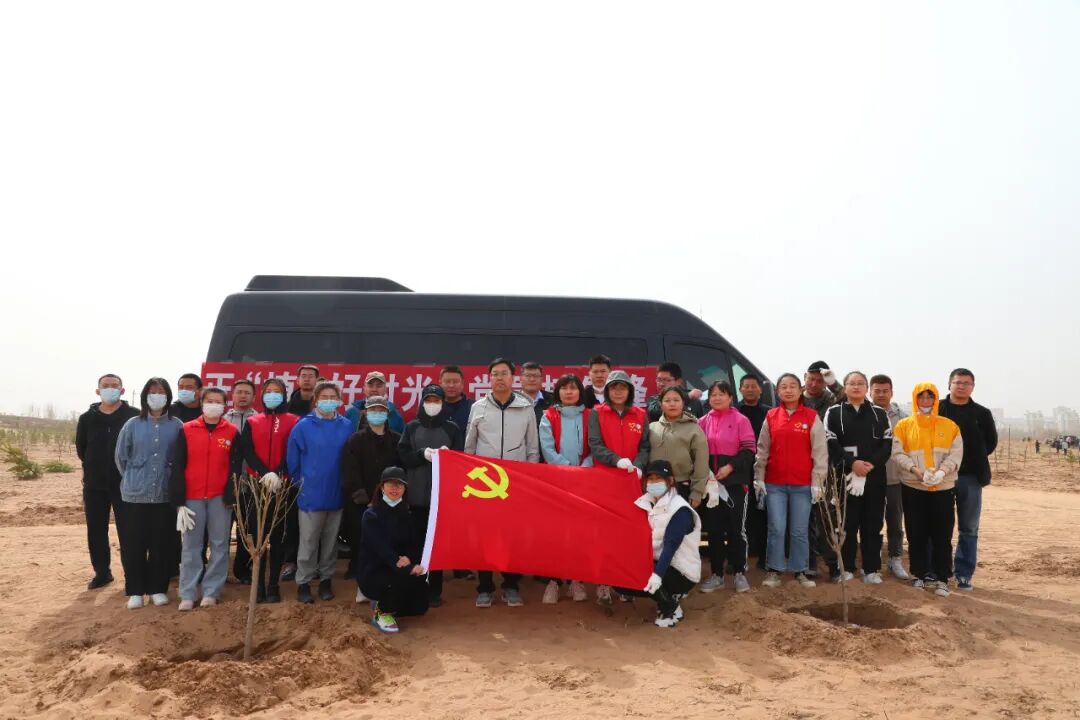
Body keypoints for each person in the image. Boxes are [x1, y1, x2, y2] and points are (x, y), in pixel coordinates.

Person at [464, 358, 541, 608]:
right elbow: (469, 447)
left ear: (512, 378)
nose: (499, 378)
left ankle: (510, 585)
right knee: (484, 536)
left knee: (512, 536)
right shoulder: (478, 407)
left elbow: (532, 447)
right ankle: (485, 587)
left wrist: (528, 479)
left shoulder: (525, 407)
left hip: (515, 484)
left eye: (504, 373)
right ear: (489, 379)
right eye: (495, 374)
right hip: (485, 484)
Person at [113, 377, 184, 609]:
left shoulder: (177, 425)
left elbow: (181, 459)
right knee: (133, 544)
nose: (157, 396)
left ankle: (157, 588)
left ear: (168, 396)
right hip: (135, 495)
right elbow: (121, 458)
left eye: (161, 392)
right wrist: (135, 478)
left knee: (161, 544)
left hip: (164, 494)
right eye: (152, 392)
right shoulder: (132, 424)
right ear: (145, 396)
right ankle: (135, 590)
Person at [754, 373, 827, 588]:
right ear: (777, 392)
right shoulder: (771, 416)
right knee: (776, 528)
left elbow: (820, 452)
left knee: (799, 530)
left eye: (792, 386)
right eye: (783, 387)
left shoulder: (811, 416)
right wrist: (759, 478)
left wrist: (818, 482)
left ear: (800, 389)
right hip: (774, 484)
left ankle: (800, 571)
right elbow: (762, 449)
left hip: (802, 484)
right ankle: (774, 570)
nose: (788, 390)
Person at [891, 383, 963, 598]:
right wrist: (915, 471)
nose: (925, 401)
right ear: (915, 399)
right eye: (921, 397)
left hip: (943, 487)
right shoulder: (904, 425)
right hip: (914, 486)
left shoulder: (949, 426)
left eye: (929, 397)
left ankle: (942, 578)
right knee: (916, 533)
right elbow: (898, 453)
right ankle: (918, 574)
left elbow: (956, 454)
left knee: (942, 534)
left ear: (935, 399)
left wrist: (942, 472)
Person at [169, 387, 239, 610]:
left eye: (218, 401)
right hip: (192, 497)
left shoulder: (232, 431)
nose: (213, 405)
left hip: (220, 498)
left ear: (225, 405)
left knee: (219, 544)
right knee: (191, 546)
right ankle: (188, 592)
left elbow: (235, 467)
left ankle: (211, 591)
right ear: (202, 403)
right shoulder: (187, 429)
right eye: (209, 400)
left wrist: (231, 493)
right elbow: (177, 465)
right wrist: (179, 501)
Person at [287, 381, 354, 604]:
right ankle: (304, 583)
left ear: (339, 400)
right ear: (315, 400)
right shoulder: (303, 426)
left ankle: (326, 580)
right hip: (310, 494)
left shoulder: (346, 425)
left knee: (330, 542)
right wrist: (301, 486)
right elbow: (293, 461)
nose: (328, 401)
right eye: (324, 397)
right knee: (308, 542)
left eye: (332, 397)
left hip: (336, 493)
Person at [613, 460, 701, 628]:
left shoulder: (680, 509)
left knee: (642, 571)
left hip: (682, 571)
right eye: (650, 479)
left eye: (658, 479)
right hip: (656, 563)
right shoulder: (644, 503)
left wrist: (656, 576)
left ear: (670, 481)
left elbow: (670, 546)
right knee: (620, 578)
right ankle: (668, 597)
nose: (654, 483)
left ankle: (669, 606)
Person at [587, 369, 650, 603]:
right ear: (607, 391)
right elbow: (595, 444)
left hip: (633, 482)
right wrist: (616, 461)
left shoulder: (640, 414)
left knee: (629, 533)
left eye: (623, 387)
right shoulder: (597, 413)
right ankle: (603, 583)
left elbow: (645, 446)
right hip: (605, 480)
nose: (618, 392)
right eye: (614, 388)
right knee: (605, 533)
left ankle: (626, 585)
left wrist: (639, 465)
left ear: (630, 391)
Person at [397, 386, 464, 607]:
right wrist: (421, 455)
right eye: (429, 400)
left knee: (437, 544)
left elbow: (461, 459)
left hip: (441, 498)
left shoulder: (452, 428)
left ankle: (435, 590)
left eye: (436, 400)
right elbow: (403, 455)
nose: (432, 404)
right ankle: (417, 586)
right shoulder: (412, 427)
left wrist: (449, 457)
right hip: (416, 496)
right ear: (422, 402)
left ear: (443, 403)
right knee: (416, 543)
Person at [824, 371, 893, 585]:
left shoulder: (880, 414)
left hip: (874, 478)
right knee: (846, 524)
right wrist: (852, 464)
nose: (856, 387)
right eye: (851, 383)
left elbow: (887, 445)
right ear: (844, 387)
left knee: (872, 524)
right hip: (844, 478)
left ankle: (871, 569)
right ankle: (846, 568)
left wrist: (869, 465)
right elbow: (831, 442)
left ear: (866, 388)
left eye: (860, 383)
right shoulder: (833, 413)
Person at [237, 377, 299, 603]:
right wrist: (265, 473)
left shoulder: (294, 420)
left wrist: (279, 472)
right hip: (258, 484)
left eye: (277, 391)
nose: (272, 395)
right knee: (259, 536)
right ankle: (258, 585)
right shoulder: (253, 421)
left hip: (283, 485)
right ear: (262, 395)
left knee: (278, 537)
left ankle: (273, 585)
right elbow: (247, 450)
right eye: (268, 391)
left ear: (284, 395)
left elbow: (294, 451)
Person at [76, 373, 139, 590]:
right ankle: (102, 573)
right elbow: (82, 449)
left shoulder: (134, 416)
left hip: (125, 484)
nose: (110, 389)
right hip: (95, 485)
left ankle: (132, 574)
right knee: (96, 530)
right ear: (98, 391)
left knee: (129, 530)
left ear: (122, 390)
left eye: (114, 385)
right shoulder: (87, 418)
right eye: (105, 385)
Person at [936, 368, 997, 592]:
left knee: (969, 528)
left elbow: (991, 442)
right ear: (949, 385)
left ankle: (963, 573)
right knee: (938, 525)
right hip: (941, 476)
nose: (961, 386)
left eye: (966, 383)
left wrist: (971, 457)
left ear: (973, 387)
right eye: (957, 382)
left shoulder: (982, 413)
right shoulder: (937, 409)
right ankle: (937, 571)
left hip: (970, 477)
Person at [537, 374, 593, 603]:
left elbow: (595, 446)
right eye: (564, 388)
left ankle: (576, 580)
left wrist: (583, 469)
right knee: (555, 533)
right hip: (556, 481)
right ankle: (553, 581)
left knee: (579, 533)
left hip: (584, 480)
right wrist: (567, 469)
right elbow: (547, 449)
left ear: (580, 391)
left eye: (573, 388)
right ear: (557, 392)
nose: (569, 392)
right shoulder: (548, 416)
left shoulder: (591, 416)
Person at [697, 381, 756, 593]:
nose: (717, 398)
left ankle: (739, 573)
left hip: (734, 484)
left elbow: (749, 450)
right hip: (710, 484)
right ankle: (716, 575)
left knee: (735, 530)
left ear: (731, 397)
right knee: (714, 530)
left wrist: (730, 467)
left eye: (722, 394)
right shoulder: (702, 421)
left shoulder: (741, 420)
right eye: (713, 394)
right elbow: (697, 451)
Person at [359, 467, 430, 633]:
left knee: (420, 603)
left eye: (399, 485)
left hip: (399, 564)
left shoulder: (408, 514)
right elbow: (382, 549)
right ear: (382, 487)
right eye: (390, 484)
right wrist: (404, 566)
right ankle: (382, 611)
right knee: (401, 578)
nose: (395, 488)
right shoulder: (371, 515)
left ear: (405, 489)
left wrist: (410, 559)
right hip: (375, 570)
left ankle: (387, 602)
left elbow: (414, 544)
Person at [870, 374, 910, 580]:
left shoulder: (903, 418)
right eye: (877, 391)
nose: (881, 395)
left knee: (895, 522)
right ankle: (872, 560)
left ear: (892, 392)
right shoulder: (864, 414)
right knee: (872, 522)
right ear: (870, 392)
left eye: (885, 391)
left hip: (895, 479)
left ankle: (895, 558)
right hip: (870, 479)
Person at [282, 364, 320, 580]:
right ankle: (290, 561)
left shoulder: (322, 408)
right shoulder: (287, 408)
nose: (307, 379)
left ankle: (314, 563)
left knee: (316, 522)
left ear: (317, 380)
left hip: (317, 472)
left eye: (311, 376)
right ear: (297, 380)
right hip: (293, 473)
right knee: (292, 520)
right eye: (303, 376)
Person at [224, 379, 257, 583]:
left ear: (254, 397)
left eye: (247, 392)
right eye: (239, 392)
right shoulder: (222, 420)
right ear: (232, 395)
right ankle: (220, 571)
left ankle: (242, 570)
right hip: (226, 484)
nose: (243, 396)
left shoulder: (259, 420)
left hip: (251, 484)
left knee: (247, 529)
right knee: (222, 530)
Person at [737, 373, 771, 570]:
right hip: (740, 467)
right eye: (746, 386)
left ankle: (764, 555)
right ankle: (739, 556)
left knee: (763, 511)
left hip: (764, 467)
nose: (750, 389)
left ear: (760, 389)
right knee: (742, 511)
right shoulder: (735, 412)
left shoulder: (769, 413)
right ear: (740, 389)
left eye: (753, 386)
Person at [440, 365, 474, 431]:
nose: (451, 385)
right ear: (440, 383)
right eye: (447, 381)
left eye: (455, 382)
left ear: (462, 384)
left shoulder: (473, 407)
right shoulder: (434, 406)